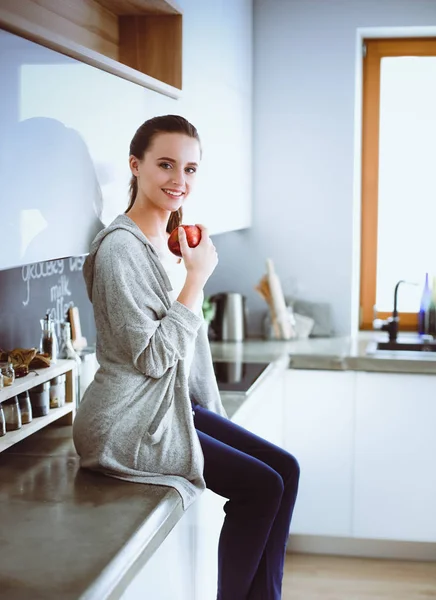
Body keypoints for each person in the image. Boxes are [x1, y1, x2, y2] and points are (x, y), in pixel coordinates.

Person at [72, 114, 300, 600]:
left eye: (191, 169)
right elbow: (154, 358)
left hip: (168, 407)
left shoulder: (169, 242)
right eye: (166, 165)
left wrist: (212, 417)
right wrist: (196, 280)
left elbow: (187, 349)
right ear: (136, 166)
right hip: (125, 421)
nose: (180, 180)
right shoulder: (119, 251)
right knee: (261, 489)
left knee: (286, 470)